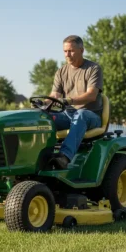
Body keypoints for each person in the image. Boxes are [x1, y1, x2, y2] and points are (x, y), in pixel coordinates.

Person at [48, 35, 103, 169]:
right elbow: (54, 95)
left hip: (91, 116)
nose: (68, 55)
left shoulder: (93, 69)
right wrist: (44, 104)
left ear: (81, 50)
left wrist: (68, 100)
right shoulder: (61, 72)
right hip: (67, 114)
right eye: (65, 51)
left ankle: (64, 157)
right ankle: (40, 156)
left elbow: (91, 95)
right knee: (43, 118)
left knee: (81, 114)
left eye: (71, 51)